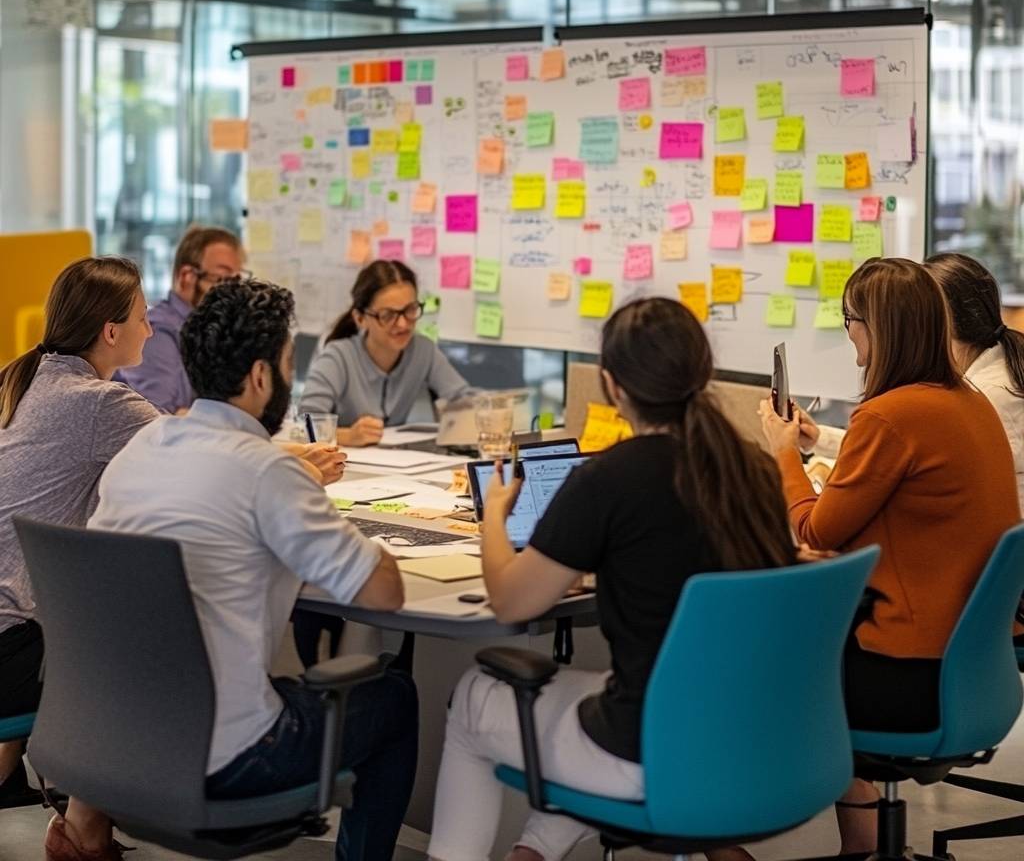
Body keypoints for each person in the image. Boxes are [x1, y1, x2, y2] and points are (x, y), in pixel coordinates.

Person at [427, 297, 796, 861]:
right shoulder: (754, 469)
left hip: (651, 751)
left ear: (611, 385)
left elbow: (508, 602)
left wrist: (496, 518)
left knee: (477, 696)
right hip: (752, 737)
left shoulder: (610, 477)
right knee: (588, 692)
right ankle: (531, 851)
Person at [89, 278, 418, 861]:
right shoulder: (267, 471)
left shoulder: (140, 448)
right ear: (263, 375)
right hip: (226, 761)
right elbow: (385, 592)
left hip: (118, 749)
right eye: (290, 362)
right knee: (393, 695)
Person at [759, 257, 1020, 855]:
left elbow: (815, 531)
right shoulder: (967, 402)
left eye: (848, 318)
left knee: (771, 674)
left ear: (874, 328)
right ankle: (865, 841)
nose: (847, 330)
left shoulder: (892, 413)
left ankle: (723, 841)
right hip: (976, 672)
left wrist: (781, 456)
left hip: (912, 676)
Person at [0, 256, 160, 859]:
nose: (151, 329)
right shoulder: (97, 404)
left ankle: (79, 822)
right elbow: (203, 454)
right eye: (143, 319)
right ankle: (85, 829)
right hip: (6, 652)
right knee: (141, 644)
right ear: (110, 331)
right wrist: (306, 464)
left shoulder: (26, 380)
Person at [301, 260, 468, 447]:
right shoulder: (337, 357)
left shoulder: (423, 351)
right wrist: (348, 436)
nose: (403, 324)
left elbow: (463, 399)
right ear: (360, 318)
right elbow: (303, 425)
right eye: (388, 315)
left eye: (410, 310)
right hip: (340, 464)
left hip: (395, 465)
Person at [924, 252, 1024, 502]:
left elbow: (921, 464)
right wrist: (823, 438)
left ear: (943, 323)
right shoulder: (1003, 365)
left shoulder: (982, 395)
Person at [117, 225, 245, 414]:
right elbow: (158, 420)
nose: (232, 293)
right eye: (222, 280)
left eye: (236, 282)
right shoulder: (155, 332)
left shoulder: (212, 333)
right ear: (186, 277)